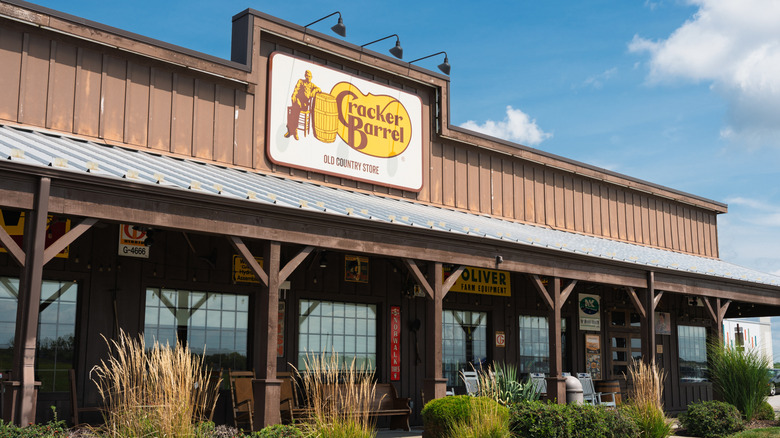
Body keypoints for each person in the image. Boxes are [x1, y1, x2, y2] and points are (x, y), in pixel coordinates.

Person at [285, 70, 321, 140]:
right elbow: (296, 90)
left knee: (295, 110)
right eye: (307, 76)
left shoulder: (312, 85)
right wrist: (293, 97)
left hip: (304, 105)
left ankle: (292, 130)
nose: (308, 78)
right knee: (296, 108)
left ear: (311, 77)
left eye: (310, 76)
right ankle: (292, 129)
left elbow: (319, 89)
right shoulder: (300, 81)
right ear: (305, 76)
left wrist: (312, 92)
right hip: (297, 102)